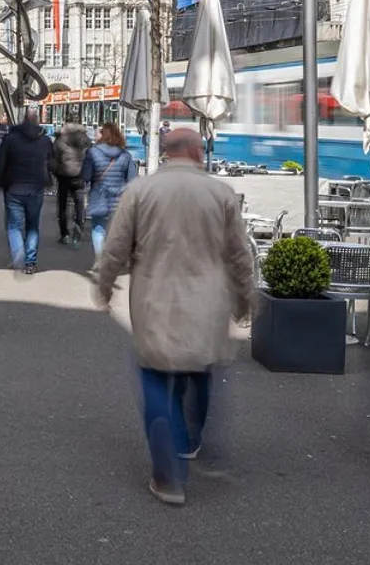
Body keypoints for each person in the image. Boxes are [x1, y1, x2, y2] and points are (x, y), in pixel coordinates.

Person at [93, 129, 255, 506]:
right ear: (197, 152)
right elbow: (239, 255)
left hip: (155, 301)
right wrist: (245, 300)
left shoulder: (140, 191)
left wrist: (104, 286)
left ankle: (167, 476)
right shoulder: (220, 193)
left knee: (155, 378)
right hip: (208, 303)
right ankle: (191, 440)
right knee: (199, 370)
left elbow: (115, 247)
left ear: (166, 153)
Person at [0, 109, 54, 273]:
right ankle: (30, 262)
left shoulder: (11, 138)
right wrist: (48, 179)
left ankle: (18, 255)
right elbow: (52, 163)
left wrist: (1, 181)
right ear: (37, 121)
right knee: (33, 226)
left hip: (14, 186)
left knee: (14, 226)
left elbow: (0, 162)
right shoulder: (45, 140)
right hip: (36, 187)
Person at [82, 121, 138, 260]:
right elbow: (133, 179)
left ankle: (101, 261)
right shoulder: (125, 155)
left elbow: (86, 176)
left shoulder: (92, 153)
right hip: (120, 199)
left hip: (99, 196)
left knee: (98, 229)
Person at [53, 118, 92, 247]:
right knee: (79, 206)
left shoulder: (60, 140)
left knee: (63, 206)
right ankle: (77, 233)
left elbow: (55, 158)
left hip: (63, 177)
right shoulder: (85, 140)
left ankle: (64, 234)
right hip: (79, 177)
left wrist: (56, 172)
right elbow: (89, 157)